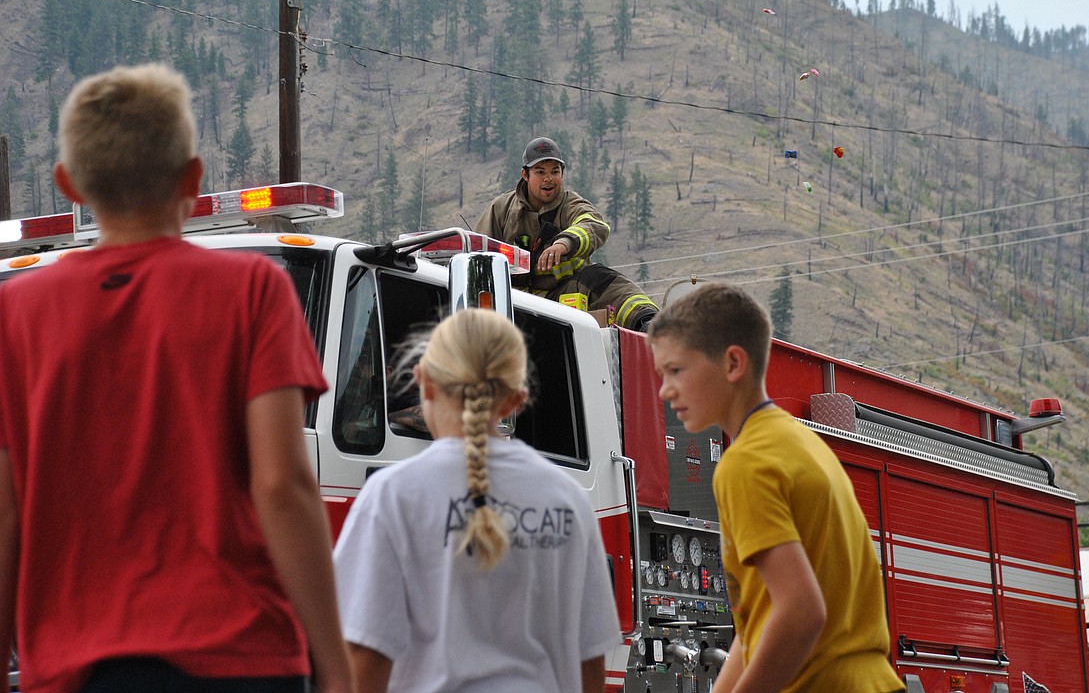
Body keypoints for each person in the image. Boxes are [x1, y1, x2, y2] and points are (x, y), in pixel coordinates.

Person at [0, 64, 353, 693]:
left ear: (68, 184)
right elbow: (281, 485)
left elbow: (6, 513)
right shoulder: (252, 290)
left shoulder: (16, 314)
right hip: (241, 658)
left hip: (74, 666)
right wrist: (334, 666)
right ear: (193, 178)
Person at [332, 308, 621, 693]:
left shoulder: (394, 496)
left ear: (424, 381)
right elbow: (589, 660)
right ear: (516, 400)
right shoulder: (567, 499)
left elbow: (365, 657)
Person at [647, 284, 904, 693]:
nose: (665, 390)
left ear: (733, 363)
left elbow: (801, 614)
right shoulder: (802, 445)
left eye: (676, 371)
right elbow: (755, 633)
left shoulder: (747, 462)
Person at [474, 136, 658, 331]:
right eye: (540, 171)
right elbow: (476, 253)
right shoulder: (500, 209)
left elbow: (594, 224)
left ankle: (650, 325)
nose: (548, 178)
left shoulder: (570, 204)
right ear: (525, 175)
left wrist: (564, 243)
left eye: (555, 171)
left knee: (599, 279)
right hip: (511, 305)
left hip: (560, 298)